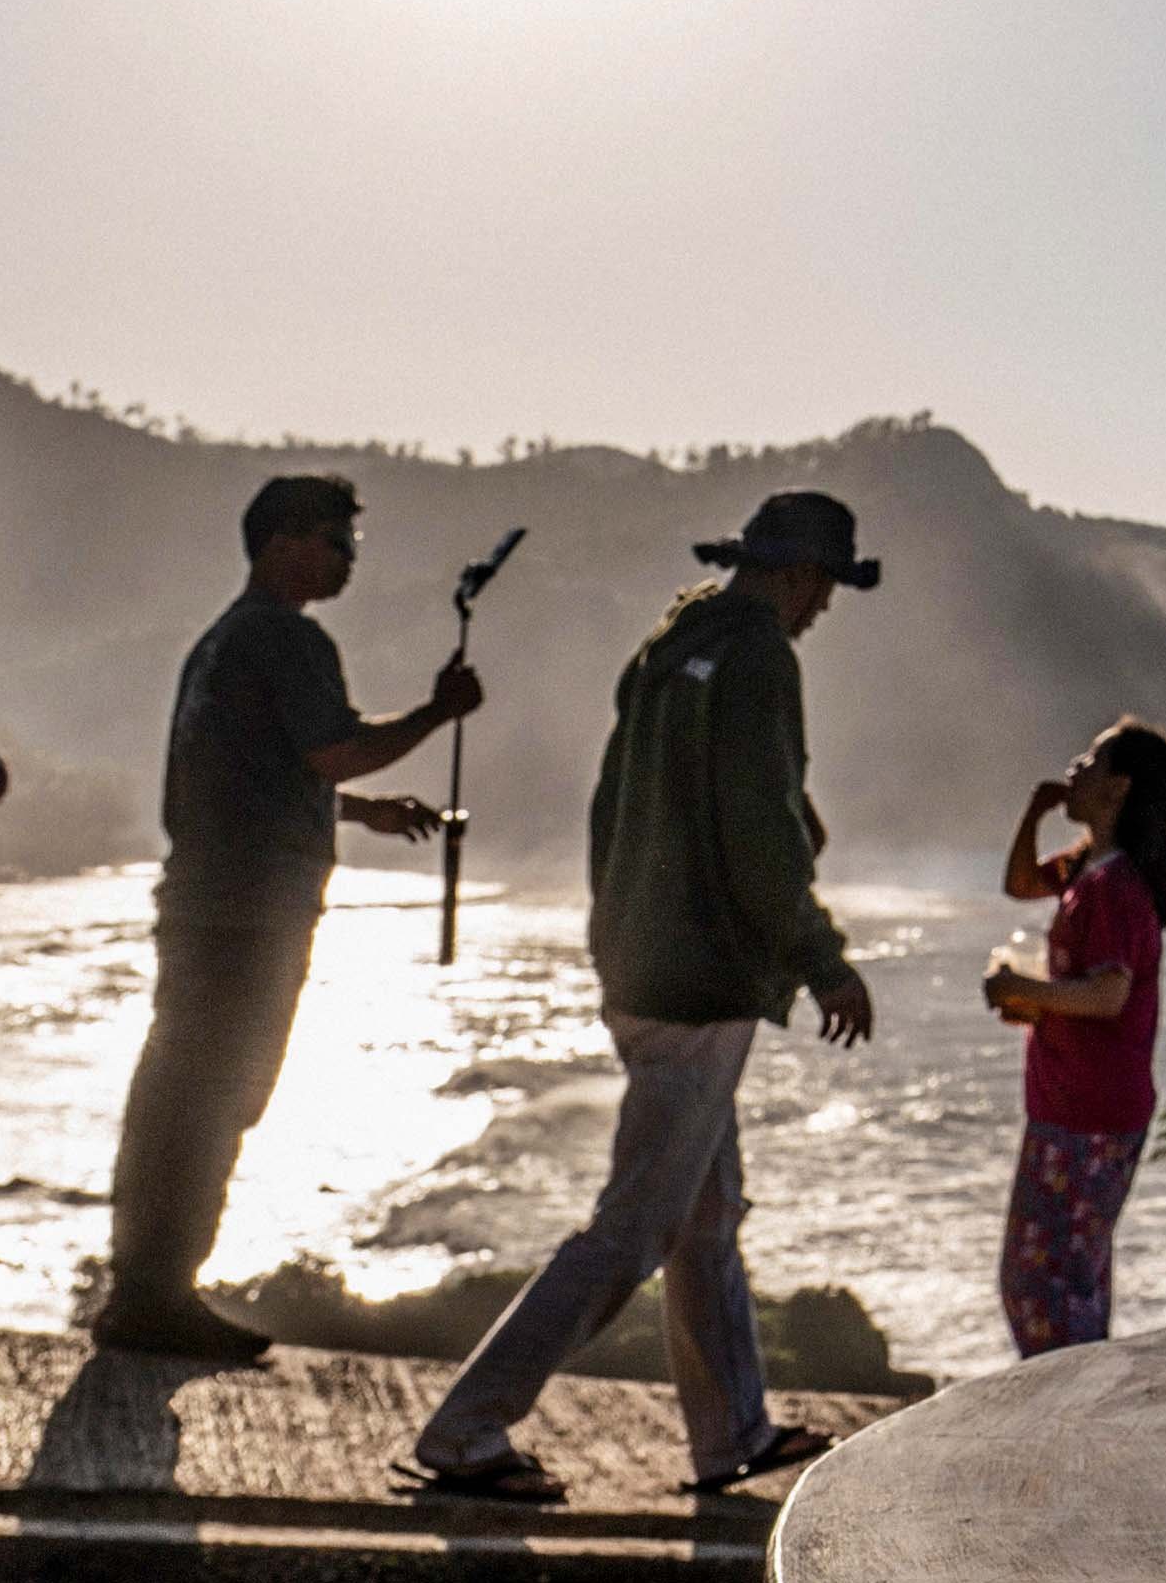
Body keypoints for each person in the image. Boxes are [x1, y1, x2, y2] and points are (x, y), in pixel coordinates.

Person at [403, 491, 881, 1509]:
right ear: (800, 576)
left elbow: (619, 805)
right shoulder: (757, 655)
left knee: (704, 1220)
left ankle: (732, 1437)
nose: (822, 612)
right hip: (700, 983)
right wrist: (822, 957)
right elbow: (760, 831)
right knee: (631, 1228)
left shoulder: (671, 643)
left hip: (640, 960)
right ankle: (464, 1432)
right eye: (826, 590)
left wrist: (613, 929)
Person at [94, 470, 488, 1363]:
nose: (348, 560)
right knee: (214, 1098)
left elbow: (265, 775)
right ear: (282, 542)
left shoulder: (224, 643)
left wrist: (361, 812)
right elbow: (336, 749)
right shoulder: (286, 641)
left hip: (207, 904)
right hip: (249, 917)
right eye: (335, 541)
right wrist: (439, 710)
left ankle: (145, 1285)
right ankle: (160, 1293)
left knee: (181, 1092)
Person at [983, 719, 1166, 1356]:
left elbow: (1109, 994)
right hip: (1084, 1106)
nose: (1073, 768)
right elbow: (1020, 884)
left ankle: (1070, 1422)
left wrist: (1020, 990)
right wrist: (1034, 811)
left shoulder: (1111, 887)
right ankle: (1079, 1418)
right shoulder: (1092, 868)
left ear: (1118, 788)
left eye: (1091, 760)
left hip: (1086, 1115)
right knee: (1067, 1280)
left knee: (1039, 1283)